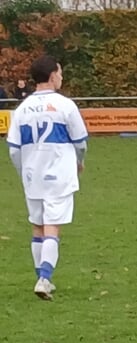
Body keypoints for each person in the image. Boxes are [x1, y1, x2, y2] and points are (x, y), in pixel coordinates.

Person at [6, 55, 88, 300]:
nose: (61, 77)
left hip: (32, 175)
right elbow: (80, 141)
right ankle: (45, 278)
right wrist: (78, 161)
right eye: (60, 73)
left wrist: (24, 172)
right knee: (52, 226)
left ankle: (41, 277)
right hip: (59, 173)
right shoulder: (65, 105)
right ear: (52, 75)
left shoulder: (21, 109)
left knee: (37, 226)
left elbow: (13, 149)